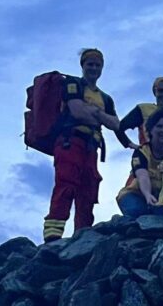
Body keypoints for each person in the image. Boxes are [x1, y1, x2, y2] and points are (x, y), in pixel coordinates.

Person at [43, 48, 121, 243]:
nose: (93, 68)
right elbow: (77, 112)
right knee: (66, 184)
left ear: (102, 68)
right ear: (83, 66)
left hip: (91, 147)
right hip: (71, 141)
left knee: (88, 190)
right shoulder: (72, 84)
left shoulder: (106, 98)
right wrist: (101, 116)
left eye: (97, 65)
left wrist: (96, 113)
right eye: (90, 64)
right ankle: (53, 235)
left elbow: (116, 124)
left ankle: (83, 235)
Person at [116, 108, 163, 218]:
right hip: (134, 193)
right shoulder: (141, 152)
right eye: (159, 126)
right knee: (137, 211)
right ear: (151, 130)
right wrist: (147, 194)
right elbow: (142, 175)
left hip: (162, 197)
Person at [116, 76, 163, 149]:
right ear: (155, 92)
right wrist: (130, 144)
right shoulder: (143, 109)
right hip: (147, 158)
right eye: (160, 90)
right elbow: (118, 127)